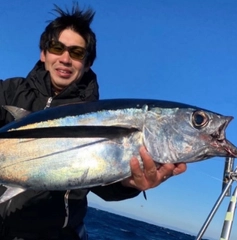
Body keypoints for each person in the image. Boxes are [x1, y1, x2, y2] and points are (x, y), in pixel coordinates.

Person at [0, 3, 187, 240]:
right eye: (57, 48)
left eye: (77, 53)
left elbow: (103, 182)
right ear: (43, 53)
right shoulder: (8, 91)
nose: (65, 59)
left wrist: (130, 183)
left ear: (87, 63)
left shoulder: (101, 115)